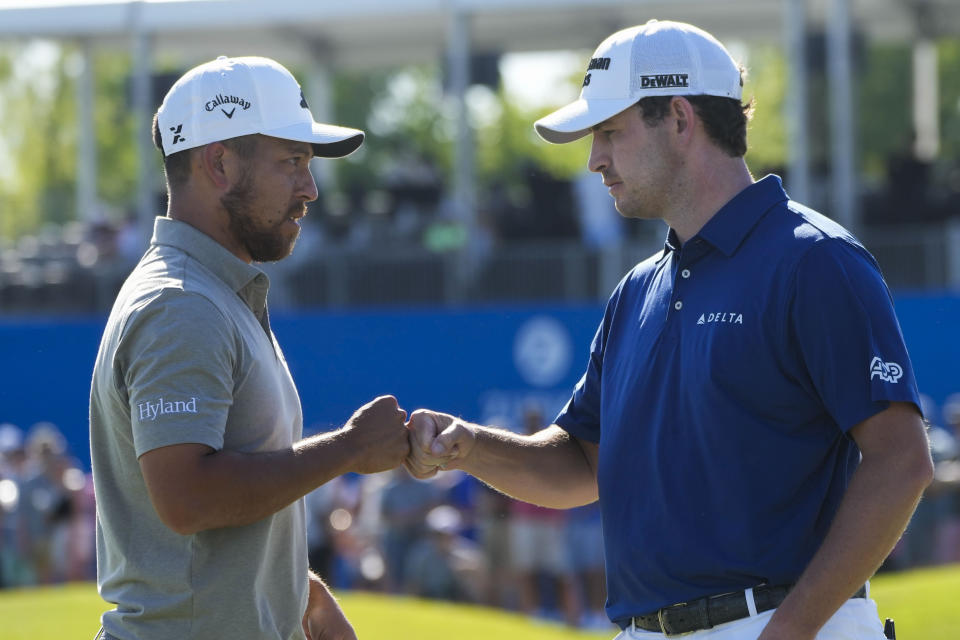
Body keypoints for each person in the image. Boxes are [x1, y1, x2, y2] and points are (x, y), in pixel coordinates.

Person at [405, 20, 933, 640]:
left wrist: (790, 629)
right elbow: (582, 467)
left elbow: (901, 461)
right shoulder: (636, 290)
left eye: (610, 132)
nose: (595, 159)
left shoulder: (814, 259)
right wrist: (470, 445)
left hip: (786, 623)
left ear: (680, 119)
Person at [89, 56, 410, 640]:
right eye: (292, 162)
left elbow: (216, 522)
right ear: (219, 164)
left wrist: (298, 592)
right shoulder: (180, 305)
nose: (310, 188)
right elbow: (188, 498)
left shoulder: (213, 294)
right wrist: (350, 449)